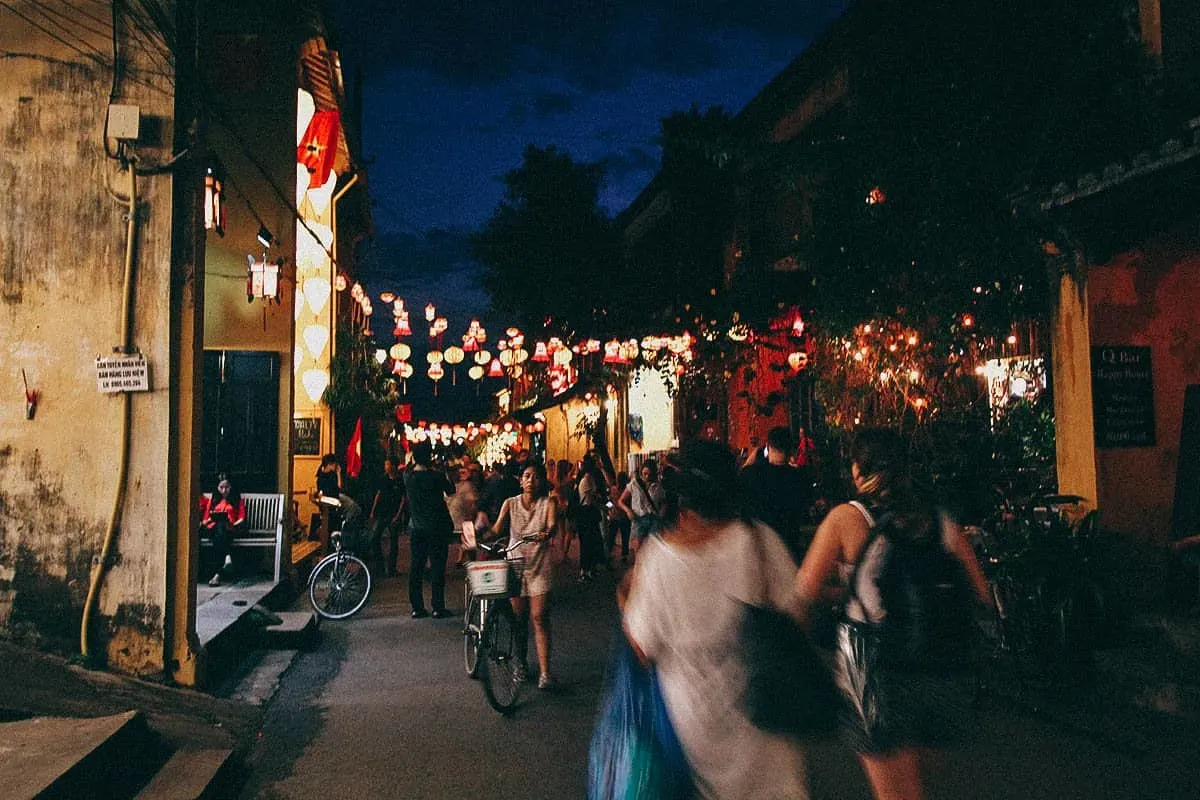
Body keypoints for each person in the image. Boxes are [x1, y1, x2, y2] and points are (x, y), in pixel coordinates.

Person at [794, 428, 990, 800]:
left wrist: (847, 592)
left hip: (874, 672)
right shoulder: (939, 520)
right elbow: (981, 594)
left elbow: (805, 591)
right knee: (914, 786)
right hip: (941, 669)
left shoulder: (844, 520)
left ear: (857, 470)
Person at [619, 440, 809, 799]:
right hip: (767, 734)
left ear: (682, 500)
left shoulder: (658, 560)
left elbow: (643, 649)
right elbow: (797, 616)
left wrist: (624, 598)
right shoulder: (760, 543)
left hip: (695, 740)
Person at [490, 461, 559, 689]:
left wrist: (546, 534)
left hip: (540, 565)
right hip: (517, 565)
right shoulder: (510, 504)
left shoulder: (548, 503)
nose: (531, 480)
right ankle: (520, 663)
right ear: (521, 480)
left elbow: (552, 526)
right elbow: (497, 529)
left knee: (539, 617)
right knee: (518, 619)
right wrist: (477, 533)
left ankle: (545, 673)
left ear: (542, 482)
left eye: (536, 477)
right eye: (527, 476)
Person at [741, 426, 816, 562]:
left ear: (768, 447)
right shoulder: (800, 478)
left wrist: (749, 461)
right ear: (791, 450)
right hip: (788, 550)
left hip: (756, 551)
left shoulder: (750, 474)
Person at [404, 441, 456, 618]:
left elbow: (409, 468)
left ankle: (417, 608)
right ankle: (437, 607)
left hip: (417, 528)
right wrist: (443, 469)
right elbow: (451, 491)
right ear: (429, 457)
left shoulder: (408, 478)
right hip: (437, 528)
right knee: (437, 567)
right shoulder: (437, 476)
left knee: (416, 568)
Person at [200, 474, 247, 587]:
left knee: (220, 534)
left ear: (231, 487)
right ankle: (227, 556)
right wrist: (212, 518)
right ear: (217, 488)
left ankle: (217, 575)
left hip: (229, 528)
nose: (224, 490)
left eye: (227, 487)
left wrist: (233, 524)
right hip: (214, 528)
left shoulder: (236, 500)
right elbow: (206, 519)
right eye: (221, 487)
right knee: (219, 528)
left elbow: (241, 518)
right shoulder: (213, 500)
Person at [368, 458, 407, 577]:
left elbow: (403, 499)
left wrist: (398, 515)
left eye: (388, 464)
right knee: (375, 538)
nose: (386, 466)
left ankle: (391, 568)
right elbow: (378, 494)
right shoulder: (383, 479)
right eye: (385, 464)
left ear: (394, 466)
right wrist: (373, 510)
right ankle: (379, 566)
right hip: (382, 512)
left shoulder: (400, 480)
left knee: (394, 542)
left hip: (393, 513)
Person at [618, 458, 665, 549]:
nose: (647, 477)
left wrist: (661, 514)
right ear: (641, 472)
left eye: (650, 474)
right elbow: (620, 501)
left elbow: (663, 502)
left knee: (654, 549)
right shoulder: (634, 484)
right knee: (638, 550)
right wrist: (628, 511)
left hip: (653, 520)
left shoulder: (657, 486)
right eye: (645, 474)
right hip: (638, 519)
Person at [575, 454, 607, 579]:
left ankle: (590, 569)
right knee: (587, 543)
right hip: (586, 514)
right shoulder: (587, 479)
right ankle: (585, 570)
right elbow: (591, 499)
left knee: (591, 542)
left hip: (588, 513)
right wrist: (603, 506)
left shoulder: (587, 478)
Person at [605, 471, 632, 563]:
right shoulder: (628, 491)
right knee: (625, 537)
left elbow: (609, 502)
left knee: (611, 536)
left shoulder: (613, 489)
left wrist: (610, 508)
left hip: (614, 516)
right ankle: (624, 555)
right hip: (625, 516)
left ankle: (608, 554)